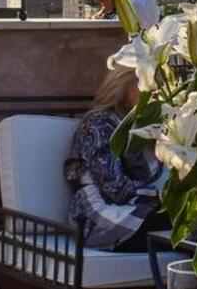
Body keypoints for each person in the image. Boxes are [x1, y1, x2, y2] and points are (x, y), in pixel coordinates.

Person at [64, 67, 166, 250]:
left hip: (134, 210)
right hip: (100, 218)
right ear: (123, 85)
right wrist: (165, 198)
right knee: (184, 221)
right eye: (145, 81)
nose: (154, 90)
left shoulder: (143, 126)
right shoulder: (99, 123)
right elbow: (114, 188)